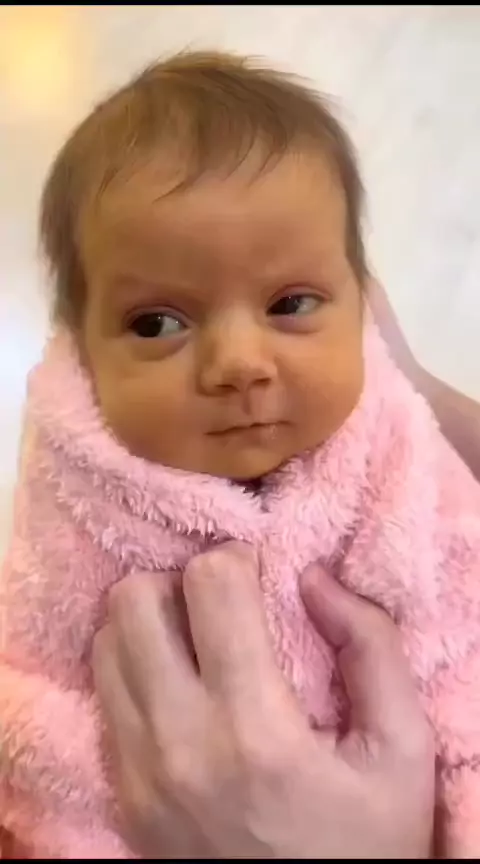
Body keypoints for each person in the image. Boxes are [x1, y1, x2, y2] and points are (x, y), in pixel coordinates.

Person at [0, 50, 479, 858]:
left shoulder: (394, 456)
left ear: (359, 300)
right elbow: (37, 691)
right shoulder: (79, 496)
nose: (238, 364)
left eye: (290, 303)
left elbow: (460, 635)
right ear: (81, 348)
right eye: (158, 323)